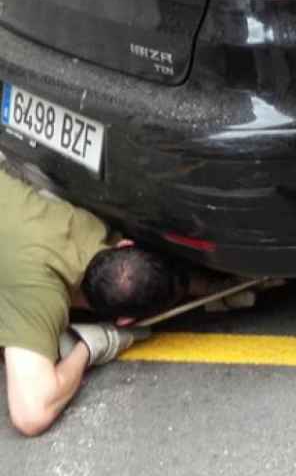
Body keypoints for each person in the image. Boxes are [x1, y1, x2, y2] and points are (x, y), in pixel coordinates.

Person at [0, 166, 186, 436]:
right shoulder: (39, 296)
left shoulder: (85, 222)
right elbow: (31, 413)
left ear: (123, 246)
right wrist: (88, 348)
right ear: (125, 321)